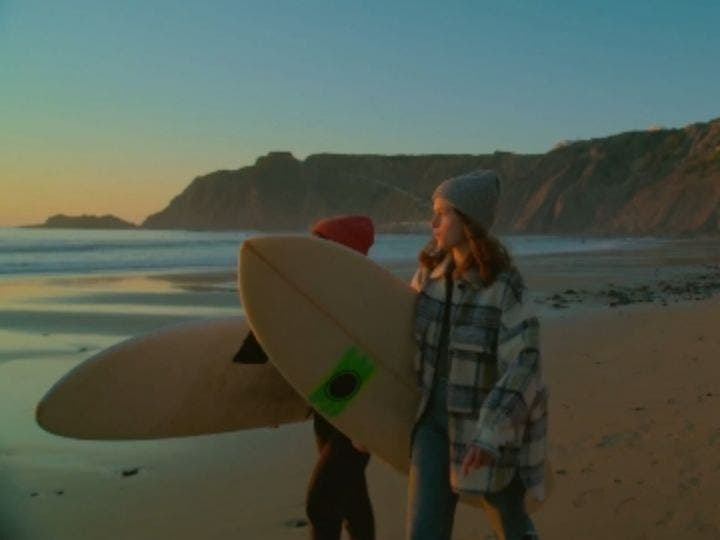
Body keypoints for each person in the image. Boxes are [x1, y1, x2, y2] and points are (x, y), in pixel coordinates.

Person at [406, 170, 548, 540]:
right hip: (431, 424)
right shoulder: (428, 277)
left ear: (468, 220)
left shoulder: (504, 287)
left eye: (443, 213)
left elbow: (524, 363)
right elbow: (397, 344)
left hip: (484, 425)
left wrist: (491, 433)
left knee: (511, 526)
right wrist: (365, 415)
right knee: (424, 533)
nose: (433, 223)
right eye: (433, 213)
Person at [235, 215, 375, 540]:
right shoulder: (310, 295)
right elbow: (286, 350)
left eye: (321, 243)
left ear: (340, 253)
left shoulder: (362, 300)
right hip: (326, 409)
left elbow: (375, 363)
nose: (310, 250)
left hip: (357, 417)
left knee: (322, 504)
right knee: (351, 499)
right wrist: (271, 404)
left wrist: (365, 426)